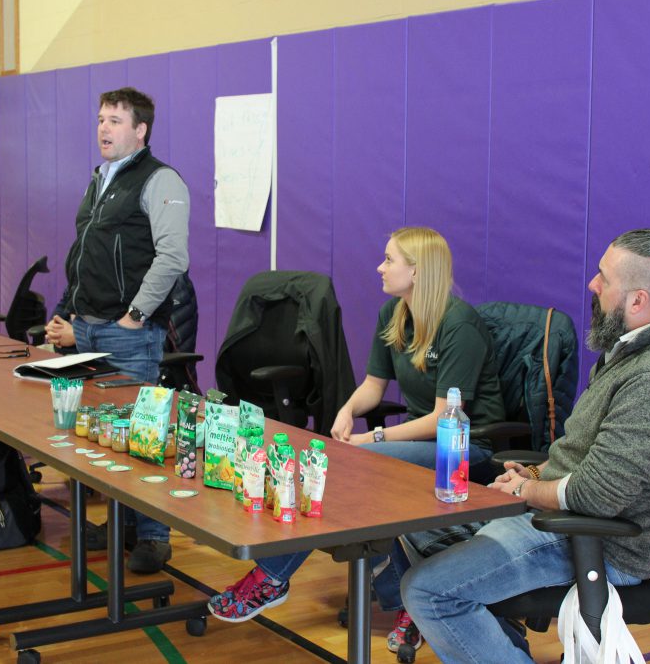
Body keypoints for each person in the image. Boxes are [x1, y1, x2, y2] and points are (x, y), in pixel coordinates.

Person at [399, 228, 650, 663]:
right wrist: (533, 474)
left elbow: (596, 496)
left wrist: (527, 491)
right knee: (413, 520)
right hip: (563, 519)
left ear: (637, 301)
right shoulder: (635, 352)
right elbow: (586, 458)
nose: (593, 284)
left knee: (429, 591)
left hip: (597, 543)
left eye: (604, 278)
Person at [208, 227, 506, 656]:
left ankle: (271, 578)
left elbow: (445, 417)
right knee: (340, 463)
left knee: (346, 466)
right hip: (428, 442)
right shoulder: (394, 313)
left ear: (417, 272)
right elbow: (372, 385)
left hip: (465, 448)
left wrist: (375, 437)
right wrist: (347, 411)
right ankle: (405, 597)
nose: (380, 268)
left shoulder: (459, 324)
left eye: (389, 260)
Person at [49, 87, 190, 574]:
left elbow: (172, 257)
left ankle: (153, 535)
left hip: (128, 334)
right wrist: (69, 312)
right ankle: (120, 522)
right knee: (99, 438)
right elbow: (83, 254)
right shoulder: (101, 179)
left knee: (141, 436)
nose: (103, 129)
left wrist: (134, 315)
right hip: (85, 330)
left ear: (140, 130)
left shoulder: (160, 180)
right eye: (100, 119)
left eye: (115, 120)